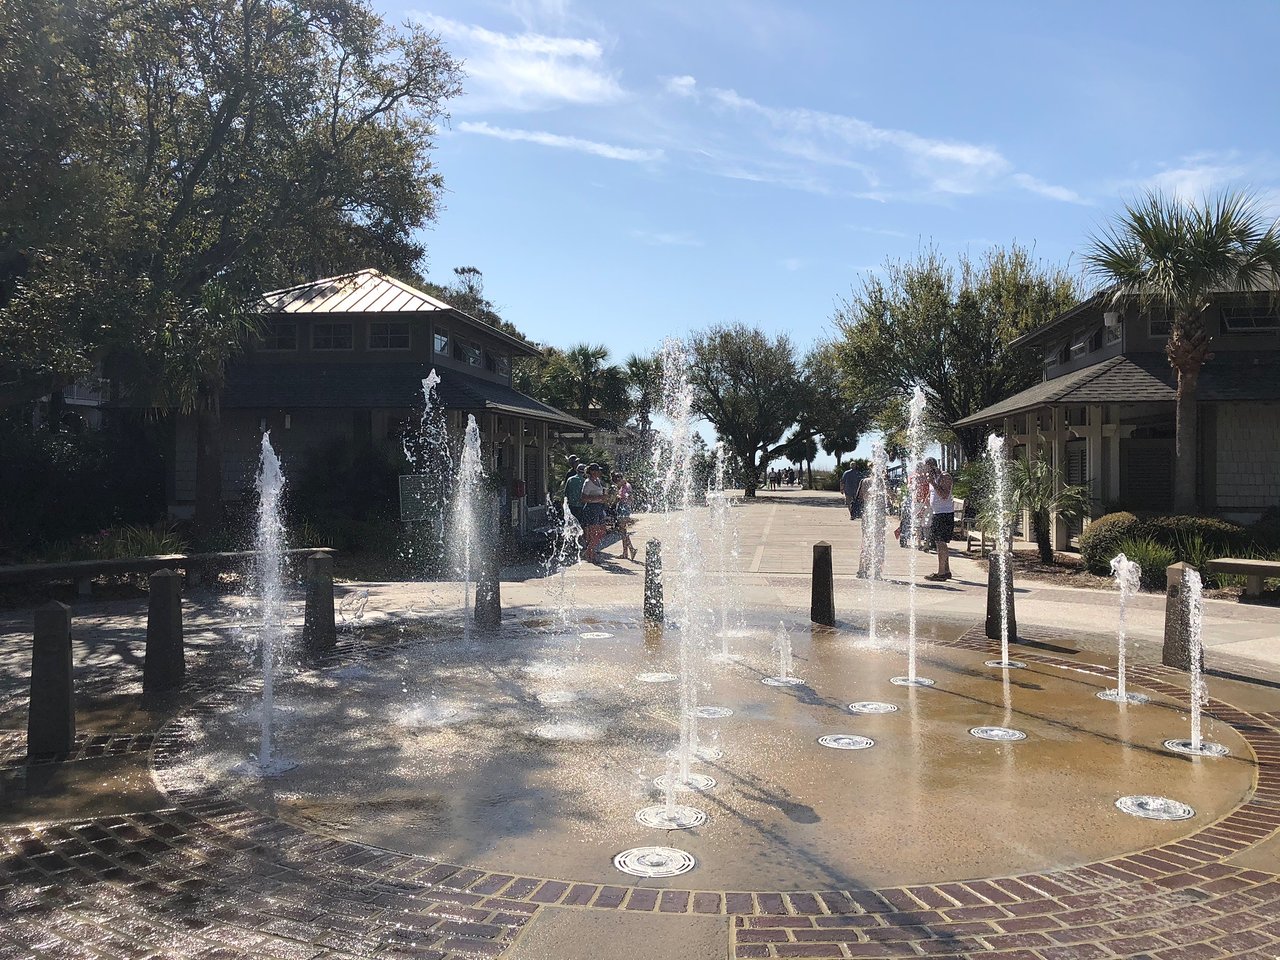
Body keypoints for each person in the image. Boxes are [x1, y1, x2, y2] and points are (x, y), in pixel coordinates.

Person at [922, 457, 955, 581]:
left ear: (933, 466)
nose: (926, 470)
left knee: (941, 542)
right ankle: (946, 570)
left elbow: (944, 495)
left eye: (927, 467)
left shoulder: (945, 477)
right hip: (937, 513)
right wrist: (923, 509)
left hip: (944, 514)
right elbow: (931, 494)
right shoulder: (934, 479)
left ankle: (941, 573)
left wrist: (933, 483)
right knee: (938, 542)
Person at [581, 462, 609, 563]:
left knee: (602, 531)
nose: (599, 472)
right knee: (594, 533)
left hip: (599, 507)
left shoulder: (598, 481)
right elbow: (583, 498)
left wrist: (604, 498)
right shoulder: (588, 482)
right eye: (597, 470)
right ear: (592, 471)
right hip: (591, 508)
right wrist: (598, 498)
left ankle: (588, 552)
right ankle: (590, 554)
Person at [611, 469, 637, 561]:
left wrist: (620, 497)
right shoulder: (623, 487)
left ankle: (630, 550)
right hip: (622, 508)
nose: (617, 483)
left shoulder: (627, 486)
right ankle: (626, 552)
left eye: (618, 481)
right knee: (623, 531)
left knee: (623, 531)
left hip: (624, 509)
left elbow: (629, 497)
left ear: (621, 479)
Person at [563, 460, 586, 530]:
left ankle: (572, 539)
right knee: (581, 526)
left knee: (571, 525)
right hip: (581, 506)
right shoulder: (585, 481)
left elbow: (565, 493)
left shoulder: (570, 479)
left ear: (577, 470)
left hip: (571, 506)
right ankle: (580, 540)